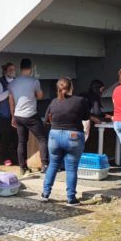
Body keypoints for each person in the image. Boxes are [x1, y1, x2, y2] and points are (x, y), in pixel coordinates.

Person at [41, 77, 90, 206]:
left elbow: (46, 119)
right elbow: (86, 117)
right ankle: (71, 198)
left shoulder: (53, 102)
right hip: (73, 135)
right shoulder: (80, 101)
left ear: (58, 88)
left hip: (55, 135)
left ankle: (45, 194)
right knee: (71, 168)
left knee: (53, 164)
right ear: (71, 87)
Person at [8, 58, 48, 175]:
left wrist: (13, 116)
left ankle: (22, 167)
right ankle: (45, 164)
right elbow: (40, 96)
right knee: (42, 138)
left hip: (18, 116)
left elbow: (11, 101)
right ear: (30, 69)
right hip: (31, 115)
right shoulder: (34, 81)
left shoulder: (12, 83)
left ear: (20, 68)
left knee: (22, 142)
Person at [0, 62, 17, 166]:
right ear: (5, 71)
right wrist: (9, 91)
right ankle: (5, 157)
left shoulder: (17, 81)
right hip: (4, 114)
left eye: (13, 69)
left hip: (17, 113)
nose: (12, 71)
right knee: (5, 137)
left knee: (17, 137)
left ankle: (17, 157)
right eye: (10, 69)